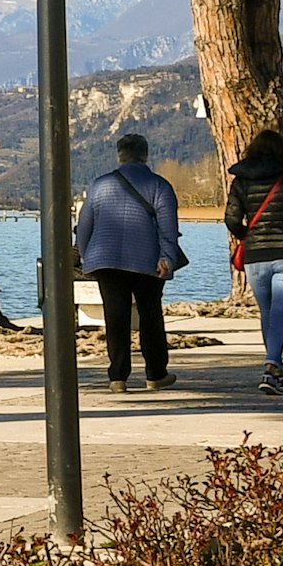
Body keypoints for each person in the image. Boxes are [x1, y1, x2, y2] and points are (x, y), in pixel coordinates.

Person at [73, 132, 185, 393]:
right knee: (150, 316)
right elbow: (169, 229)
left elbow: (84, 228)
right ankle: (156, 374)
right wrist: (166, 258)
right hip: (147, 261)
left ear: (119, 155)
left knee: (116, 318)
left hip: (106, 261)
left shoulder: (99, 185)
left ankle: (117, 377)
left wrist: (88, 258)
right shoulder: (160, 186)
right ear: (145, 155)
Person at [222, 127, 283, 394]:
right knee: (280, 312)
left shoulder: (241, 180)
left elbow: (231, 219)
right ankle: (272, 364)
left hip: (255, 255)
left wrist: (247, 235)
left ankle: (275, 367)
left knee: (268, 312)